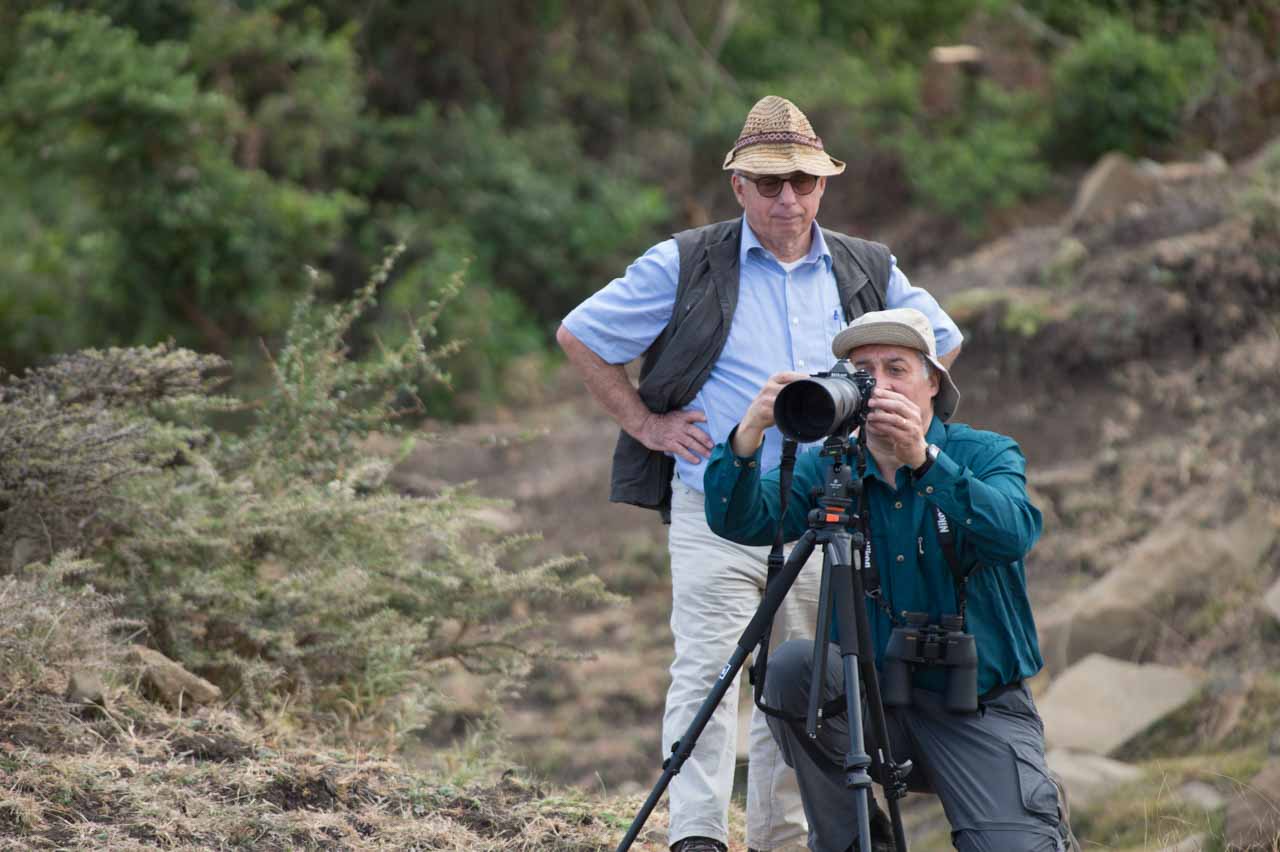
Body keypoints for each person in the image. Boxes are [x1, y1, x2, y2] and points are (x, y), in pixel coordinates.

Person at [556, 96, 962, 852]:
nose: (788, 199)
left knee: (798, 685)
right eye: (770, 183)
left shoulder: (866, 265)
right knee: (707, 671)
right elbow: (582, 334)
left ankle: (781, 839)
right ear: (737, 185)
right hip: (719, 503)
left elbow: (939, 343)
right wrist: (647, 426)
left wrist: (888, 426)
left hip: (827, 508)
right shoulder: (686, 260)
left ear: (823, 185)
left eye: (803, 182)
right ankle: (700, 837)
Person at [703, 307, 1078, 852]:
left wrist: (925, 462)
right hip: (871, 708)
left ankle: (1027, 802)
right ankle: (853, 843)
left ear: (933, 383)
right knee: (790, 669)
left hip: (976, 707)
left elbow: (1012, 534)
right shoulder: (833, 469)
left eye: (895, 369)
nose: (877, 385)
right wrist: (748, 433)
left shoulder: (985, 452)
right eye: (861, 371)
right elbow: (739, 520)